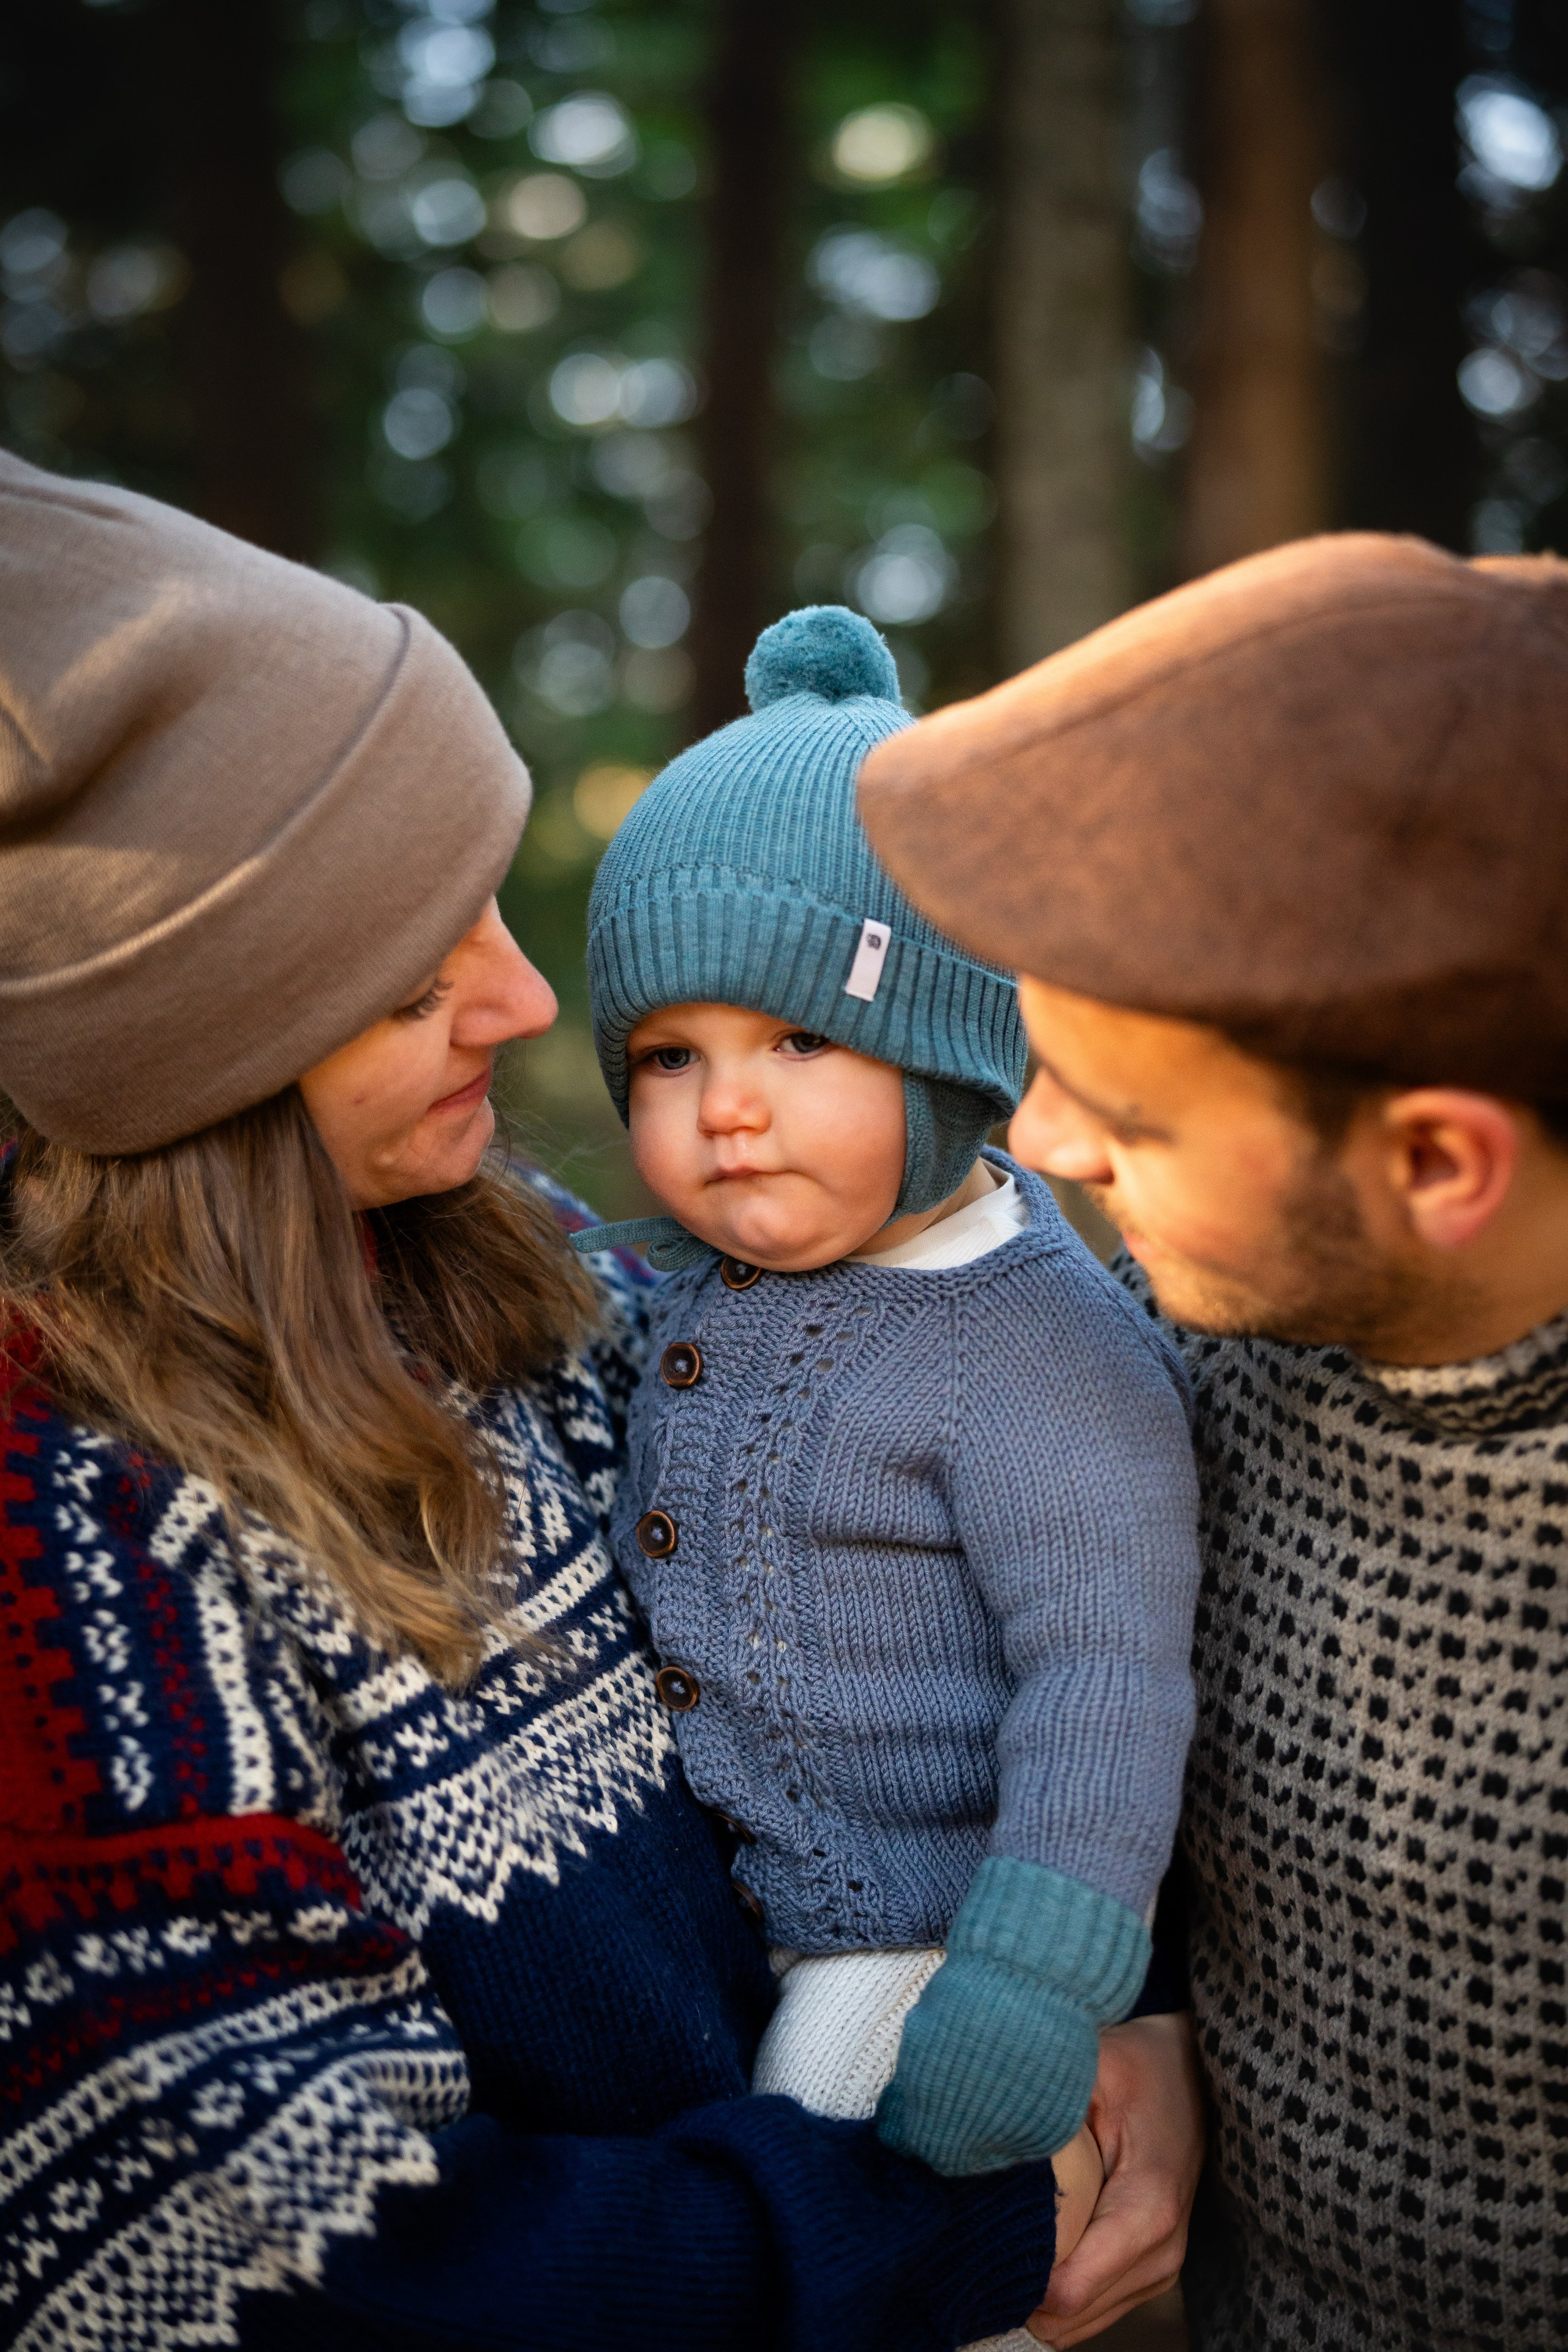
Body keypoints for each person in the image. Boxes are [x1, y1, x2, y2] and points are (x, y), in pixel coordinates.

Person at [0, 451, 1066, 2352]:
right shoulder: (69, 1529)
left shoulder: (512, 1261)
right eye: (410, 977)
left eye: (486, 905)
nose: (514, 999)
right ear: (201, 1045)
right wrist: (949, 2237)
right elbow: (287, 2279)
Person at [856, 530, 1568, 2351]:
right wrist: (1156, 2003)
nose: (1050, 1147)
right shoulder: (1199, 1340)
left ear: (1435, 1161)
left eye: (1134, 1114)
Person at [567, 605, 1203, 2254]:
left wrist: (1029, 1987)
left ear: (946, 1061)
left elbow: (1109, 1685)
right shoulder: (690, 1275)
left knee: (844, 2247)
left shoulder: (1041, 1348)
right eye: (668, 1053)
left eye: (801, 1039)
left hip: (918, 1946)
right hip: (737, 1919)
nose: (726, 1108)